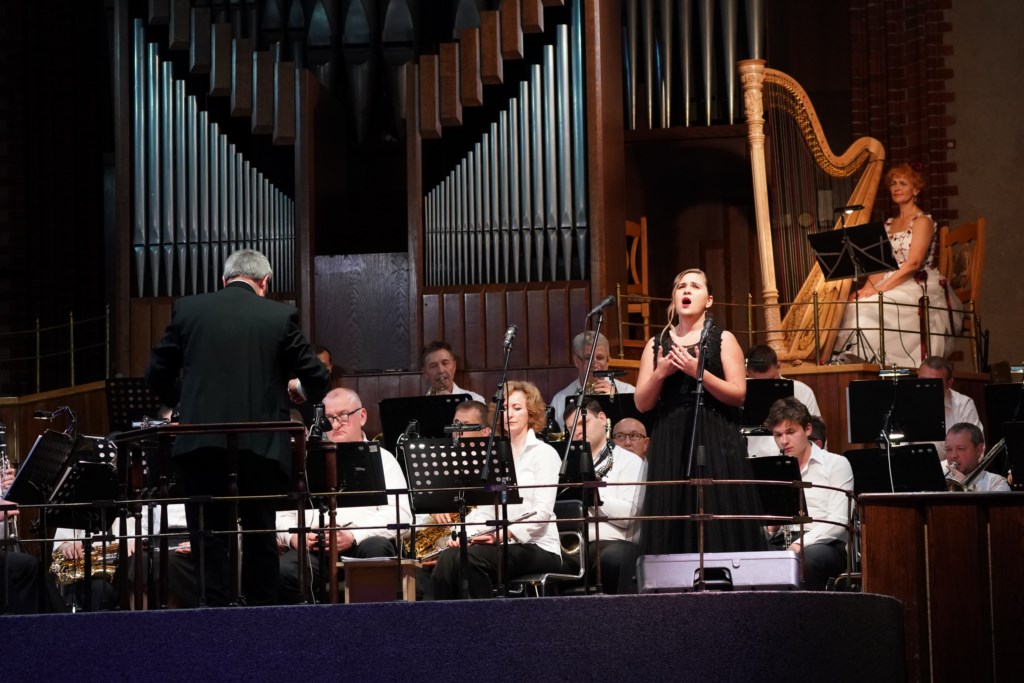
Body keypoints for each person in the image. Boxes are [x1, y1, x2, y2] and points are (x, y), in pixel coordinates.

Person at [145, 249, 331, 607]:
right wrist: (298, 388)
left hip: (199, 443)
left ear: (224, 280)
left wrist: (186, 402)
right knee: (261, 533)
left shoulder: (189, 310)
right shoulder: (278, 315)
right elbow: (318, 377)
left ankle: (216, 617)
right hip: (260, 446)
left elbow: (155, 373)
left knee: (207, 535)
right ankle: (260, 617)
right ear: (265, 282)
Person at [635, 269, 768, 555]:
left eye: (695, 286)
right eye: (681, 286)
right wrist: (660, 373)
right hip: (671, 439)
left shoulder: (723, 339)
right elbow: (642, 403)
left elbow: (738, 394)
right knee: (674, 516)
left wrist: (698, 372)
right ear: (674, 297)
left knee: (714, 514)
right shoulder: (657, 343)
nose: (686, 290)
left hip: (714, 437)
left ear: (708, 300)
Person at [277, 387, 412, 603]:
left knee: (377, 550)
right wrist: (295, 537)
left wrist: (353, 535)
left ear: (362, 416)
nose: (336, 424)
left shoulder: (383, 459)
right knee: (284, 570)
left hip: (363, 544)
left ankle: (374, 623)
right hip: (315, 547)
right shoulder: (305, 461)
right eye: (329, 418)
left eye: (343, 416)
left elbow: (401, 515)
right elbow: (282, 514)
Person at [430, 381, 562, 599]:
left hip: (537, 546)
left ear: (531, 413)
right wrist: (463, 534)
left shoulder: (544, 453)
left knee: (470, 559)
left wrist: (503, 533)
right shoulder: (494, 456)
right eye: (505, 408)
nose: (509, 414)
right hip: (500, 543)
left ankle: (486, 618)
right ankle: (440, 619)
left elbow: (543, 513)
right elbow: (485, 510)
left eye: (517, 408)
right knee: (448, 556)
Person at [832, 162, 963, 368]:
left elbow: (913, 263)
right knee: (856, 302)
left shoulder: (922, 221)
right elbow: (880, 266)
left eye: (903, 183)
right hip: (890, 279)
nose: (896, 188)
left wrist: (879, 289)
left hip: (915, 281)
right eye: (893, 183)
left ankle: (885, 360)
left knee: (872, 305)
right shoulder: (888, 224)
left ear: (915, 190)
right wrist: (867, 288)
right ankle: (860, 359)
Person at [763, 397, 855, 590]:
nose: (784, 441)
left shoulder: (836, 464)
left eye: (790, 432)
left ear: (807, 429)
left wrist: (799, 545)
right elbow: (767, 528)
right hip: (785, 540)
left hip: (826, 544)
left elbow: (839, 522)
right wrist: (771, 527)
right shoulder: (773, 468)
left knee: (807, 561)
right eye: (777, 435)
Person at [411, 399, 492, 600]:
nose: (457, 432)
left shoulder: (493, 465)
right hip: (436, 550)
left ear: (485, 432)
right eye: (455, 426)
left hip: (472, 546)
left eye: (465, 426)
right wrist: (433, 508)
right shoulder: (439, 464)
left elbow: (487, 516)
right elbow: (417, 512)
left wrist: (448, 545)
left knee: (448, 568)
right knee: (409, 577)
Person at [564, 399, 646, 594]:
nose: (577, 431)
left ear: (602, 419)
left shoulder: (630, 461)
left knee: (613, 559)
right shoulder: (566, 466)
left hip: (614, 542)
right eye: (571, 428)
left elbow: (629, 515)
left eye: (583, 423)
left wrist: (593, 499)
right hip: (573, 543)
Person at [745, 344, 821, 457]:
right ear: (747, 372)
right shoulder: (739, 395)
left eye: (771, 380)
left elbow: (817, 432)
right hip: (754, 461)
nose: (766, 388)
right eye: (758, 384)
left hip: (798, 460)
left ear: (778, 365)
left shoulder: (803, 391)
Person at [550, 331, 636, 430]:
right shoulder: (559, 400)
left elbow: (634, 431)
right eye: (588, 358)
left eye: (600, 358)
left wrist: (615, 402)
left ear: (608, 360)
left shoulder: (628, 392)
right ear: (576, 361)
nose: (594, 364)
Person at [917, 355, 983, 460]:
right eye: (922, 381)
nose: (925, 387)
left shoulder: (963, 405)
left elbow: (976, 453)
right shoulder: (904, 402)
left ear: (949, 383)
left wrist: (938, 467)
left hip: (952, 470)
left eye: (934, 383)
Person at [943, 423, 1010, 492]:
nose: (953, 455)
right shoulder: (941, 480)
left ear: (978, 450)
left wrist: (969, 486)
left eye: (961, 449)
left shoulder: (996, 482)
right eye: (948, 449)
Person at [420, 340, 485, 402]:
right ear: (425, 372)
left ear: (454, 366)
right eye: (433, 366)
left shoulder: (475, 400)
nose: (441, 371)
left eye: (445, 363)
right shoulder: (418, 406)